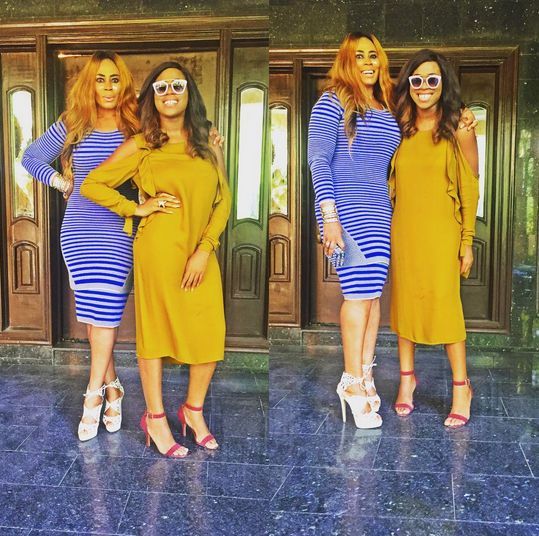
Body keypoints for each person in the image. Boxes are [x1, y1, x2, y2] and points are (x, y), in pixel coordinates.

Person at [81, 61, 231, 457]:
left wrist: (205, 249)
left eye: (177, 85)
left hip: (200, 251)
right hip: (158, 250)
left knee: (209, 332)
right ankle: (156, 417)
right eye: (160, 88)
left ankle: (193, 411)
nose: (169, 93)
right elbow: (92, 183)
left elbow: (224, 199)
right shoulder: (142, 145)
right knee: (156, 333)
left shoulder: (208, 142)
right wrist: (136, 207)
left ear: (189, 92)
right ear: (151, 97)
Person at [22, 51, 139, 441]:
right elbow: (31, 157)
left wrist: (208, 139)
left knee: (105, 313)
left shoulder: (137, 124)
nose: (108, 87)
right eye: (100, 79)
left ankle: (93, 395)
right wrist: (63, 183)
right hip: (78, 231)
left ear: (124, 84)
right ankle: (114, 387)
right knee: (93, 316)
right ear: (90, 84)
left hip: (118, 230)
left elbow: (169, 154)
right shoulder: (74, 123)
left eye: (115, 79)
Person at [308, 33, 401, 429]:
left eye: (373, 55)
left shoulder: (386, 106)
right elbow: (318, 160)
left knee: (373, 296)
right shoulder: (332, 102)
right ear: (346, 61)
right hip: (345, 213)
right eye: (359, 55)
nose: (368, 62)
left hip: (380, 211)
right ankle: (349, 381)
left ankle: (365, 373)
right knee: (358, 293)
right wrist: (329, 216)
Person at [389, 49, 479, 428]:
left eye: (432, 79)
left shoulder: (459, 126)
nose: (423, 87)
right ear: (408, 85)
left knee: (447, 308)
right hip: (403, 232)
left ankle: (461, 387)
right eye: (416, 80)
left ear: (444, 84)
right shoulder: (399, 127)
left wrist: (467, 240)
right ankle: (407, 380)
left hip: (442, 233)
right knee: (405, 306)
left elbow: (470, 187)